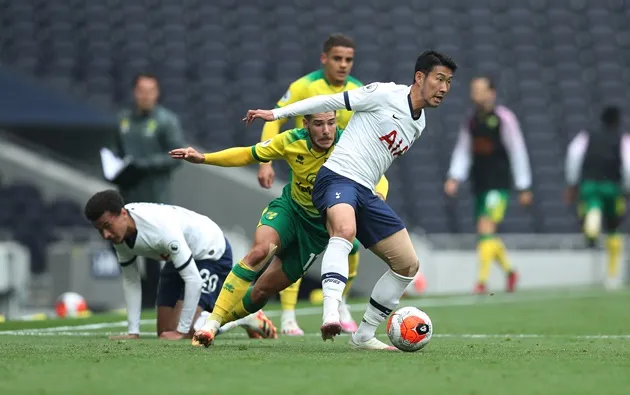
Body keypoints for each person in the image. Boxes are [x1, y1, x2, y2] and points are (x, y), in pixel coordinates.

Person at [241, 50, 457, 350]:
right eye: (439, 79)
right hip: (337, 177)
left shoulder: (419, 124)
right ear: (420, 77)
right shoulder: (384, 94)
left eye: (449, 82)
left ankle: (364, 335)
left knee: (407, 265)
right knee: (344, 231)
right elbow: (329, 102)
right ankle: (331, 314)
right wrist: (277, 114)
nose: (444, 88)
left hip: (364, 191)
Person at [169, 111, 389, 347]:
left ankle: (223, 324)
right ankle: (211, 323)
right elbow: (248, 154)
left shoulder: (349, 144)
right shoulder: (291, 141)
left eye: (331, 123)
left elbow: (380, 178)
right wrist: (204, 158)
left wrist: (378, 196)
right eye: (318, 124)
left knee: (262, 291)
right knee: (260, 251)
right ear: (306, 124)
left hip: (316, 232)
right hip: (290, 212)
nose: (326, 130)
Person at [258, 33, 363, 335]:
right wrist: (265, 160)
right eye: (337, 59)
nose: (343, 65)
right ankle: (288, 316)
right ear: (324, 59)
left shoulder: (357, 90)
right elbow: (273, 117)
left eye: (348, 60)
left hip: (341, 179)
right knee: (297, 246)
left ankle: (340, 302)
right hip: (305, 176)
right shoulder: (305, 86)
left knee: (352, 243)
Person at [83, 189, 276, 340]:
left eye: (107, 227)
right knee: (165, 333)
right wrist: (133, 332)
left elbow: (194, 280)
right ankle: (193, 324)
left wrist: (183, 331)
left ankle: (243, 317)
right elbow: (131, 281)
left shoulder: (160, 229)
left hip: (210, 250)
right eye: (100, 230)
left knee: (188, 331)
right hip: (179, 258)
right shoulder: (119, 234)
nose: (105, 235)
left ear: (123, 213)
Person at [444, 76, 533, 294]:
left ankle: (481, 282)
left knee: (485, 228)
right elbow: (463, 150)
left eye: (480, 90)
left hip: (499, 184)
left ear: (492, 93)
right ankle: (511, 272)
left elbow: (517, 150)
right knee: (487, 234)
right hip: (480, 183)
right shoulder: (471, 121)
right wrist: (455, 176)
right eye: (473, 90)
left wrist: (524, 186)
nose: (476, 94)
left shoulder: (504, 118)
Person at [112, 72, 188, 310]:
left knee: (155, 254)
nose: (145, 96)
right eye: (141, 91)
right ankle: (140, 292)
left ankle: (154, 300)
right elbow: (114, 151)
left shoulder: (166, 121)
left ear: (156, 94)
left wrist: (143, 164)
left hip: (156, 200)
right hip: (127, 198)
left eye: (150, 91)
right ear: (135, 93)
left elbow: (176, 157)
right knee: (117, 243)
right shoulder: (123, 120)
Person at [565, 106, 630, 289]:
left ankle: (592, 218)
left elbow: (573, 157)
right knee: (613, 228)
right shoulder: (623, 139)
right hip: (612, 186)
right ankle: (612, 275)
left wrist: (572, 183)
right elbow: (628, 165)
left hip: (589, 185)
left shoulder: (586, 136)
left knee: (590, 206)